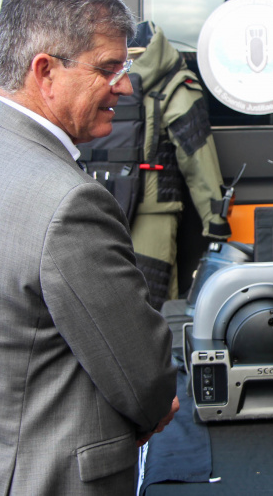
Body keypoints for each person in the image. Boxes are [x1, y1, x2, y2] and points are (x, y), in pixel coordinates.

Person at [0, 0, 179, 495]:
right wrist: (152, 407)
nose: (125, 86)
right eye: (108, 68)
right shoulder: (69, 204)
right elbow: (144, 381)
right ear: (45, 71)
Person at [78, 20, 230, 311]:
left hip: (87, 205)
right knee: (150, 306)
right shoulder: (174, 82)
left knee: (94, 299)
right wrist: (216, 222)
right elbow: (197, 152)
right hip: (153, 216)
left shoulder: (83, 74)